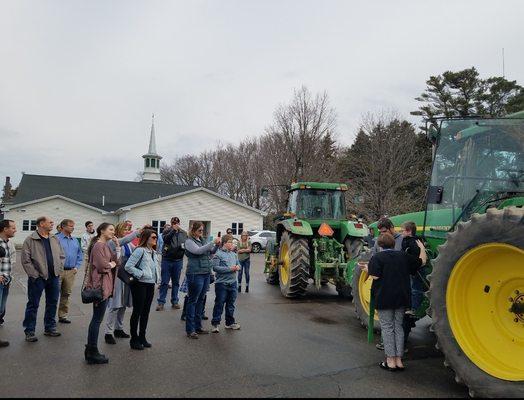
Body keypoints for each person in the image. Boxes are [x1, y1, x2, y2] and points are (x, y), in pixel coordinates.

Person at [360, 233, 426, 371]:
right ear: (393, 244)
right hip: (402, 298)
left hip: (385, 298)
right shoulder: (403, 256)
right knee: (398, 327)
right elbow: (421, 262)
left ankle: (390, 361)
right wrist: (422, 248)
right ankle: (399, 360)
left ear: (379, 244)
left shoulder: (377, 257)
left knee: (387, 328)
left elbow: (375, 276)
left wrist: (368, 269)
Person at [21, 216, 65, 342]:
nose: (52, 224)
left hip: (54, 277)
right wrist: (34, 275)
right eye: (50, 222)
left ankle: (50, 328)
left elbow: (62, 256)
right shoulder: (30, 240)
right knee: (33, 305)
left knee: (52, 303)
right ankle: (29, 331)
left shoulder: (54, 238)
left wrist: (59, 270)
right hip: (38, 279)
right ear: (41, 224)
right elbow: (25, 260)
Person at [84, 222, 119, 364]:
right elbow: (102, 266)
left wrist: (117, 247)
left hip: (105, 285)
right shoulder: (99, 246)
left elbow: (117, 261)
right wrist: (111, 264)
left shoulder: (105, 245)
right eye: (111, 230)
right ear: (102, 231)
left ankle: (91, 350)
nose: (113, 232)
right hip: (100, 286)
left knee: (98, 318)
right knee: (97, 319)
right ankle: (91, 351)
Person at [104, 222, 140, 345]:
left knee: (123, 303)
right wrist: (137, 232)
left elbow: (135, 251)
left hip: (127, 276)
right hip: (117, 276)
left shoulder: (128, 244)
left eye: (128, 229)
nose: (126, 231)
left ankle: (118, 328)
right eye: (125, 229)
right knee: (115, 304)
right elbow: (124, 240)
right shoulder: (112, 242)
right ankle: (108, 332)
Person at [184, 221, 220, 339]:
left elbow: (211, 252)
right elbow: (198, 251)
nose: (201, 232)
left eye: (202, 230)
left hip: (205, 272)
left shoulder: (202, 240)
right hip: (195, 273)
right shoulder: (189, 241)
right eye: (199, 230)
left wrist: (217, 245)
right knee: (193, 301)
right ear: (193, 230)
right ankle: (190, 329)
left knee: (201, 300)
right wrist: (211, 243)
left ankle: (198, 327)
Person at [124, 229, 159, 350]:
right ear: (146, 238)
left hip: (150, 284)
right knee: (137, 311)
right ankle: (134, 339)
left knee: (146, 312)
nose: (155, 239)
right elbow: (128, 266)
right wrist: (141, 273)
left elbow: (155, 269)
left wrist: (157, 280)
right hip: (140, 284)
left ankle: (142, 337)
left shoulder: (153, 252)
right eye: (153, 237)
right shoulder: (140, 250)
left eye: (156, 237)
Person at [211, 234, 241, 333]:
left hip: (233, 283)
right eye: (230, 242)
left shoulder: (234, 254)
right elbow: (215, 268)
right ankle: (215, 324)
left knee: (231, 304)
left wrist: (238, 267)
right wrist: (230, 269)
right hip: (221, 284)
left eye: (232, 242)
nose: (232, 244)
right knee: (219, 304)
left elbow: (238, 264)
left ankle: (229, 323)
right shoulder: (218, 254)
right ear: (224, 243)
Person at [55, 219, 83, 324]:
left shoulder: (75, 240)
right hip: (58, 271)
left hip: (71, 271)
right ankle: (50, 318)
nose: (73, 227)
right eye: (71, 226)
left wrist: (76, 267)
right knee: (54, 294)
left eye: (73, 226)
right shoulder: (55, 239)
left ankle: (63, 316)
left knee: (66, 294)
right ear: (63, 227)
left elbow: (80, 254)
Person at [156, 217, 187, 311]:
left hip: (178, 260)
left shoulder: (184, 233)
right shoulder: (167, 231)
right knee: (164, 282)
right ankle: (161, 302)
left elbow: (185, 244)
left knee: (176, 282)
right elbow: (166, 240)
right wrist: (173, 230)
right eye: (174, 223)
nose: (175, 224)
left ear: (179, 223)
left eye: (177, 223)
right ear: (171, 223)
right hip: (167, 259)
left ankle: (175, 301)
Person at [401, 221, 426, 316]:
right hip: (412, 269)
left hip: (416, 270)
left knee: (415, 288)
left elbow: (416, 258)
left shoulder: (413, 242)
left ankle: (414, 308)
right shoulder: (410, 240)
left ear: (409, 231)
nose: (401, 232)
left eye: (403, 231)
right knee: (412, 288)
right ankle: (409, 306)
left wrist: (412, 269)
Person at [0, 219, 17, 347]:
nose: (15, 230)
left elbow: (12, 259)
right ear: (5, 229)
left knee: (1, 309)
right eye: (12, 228)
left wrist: (8, 276)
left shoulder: (8, 243)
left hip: (6, 279)